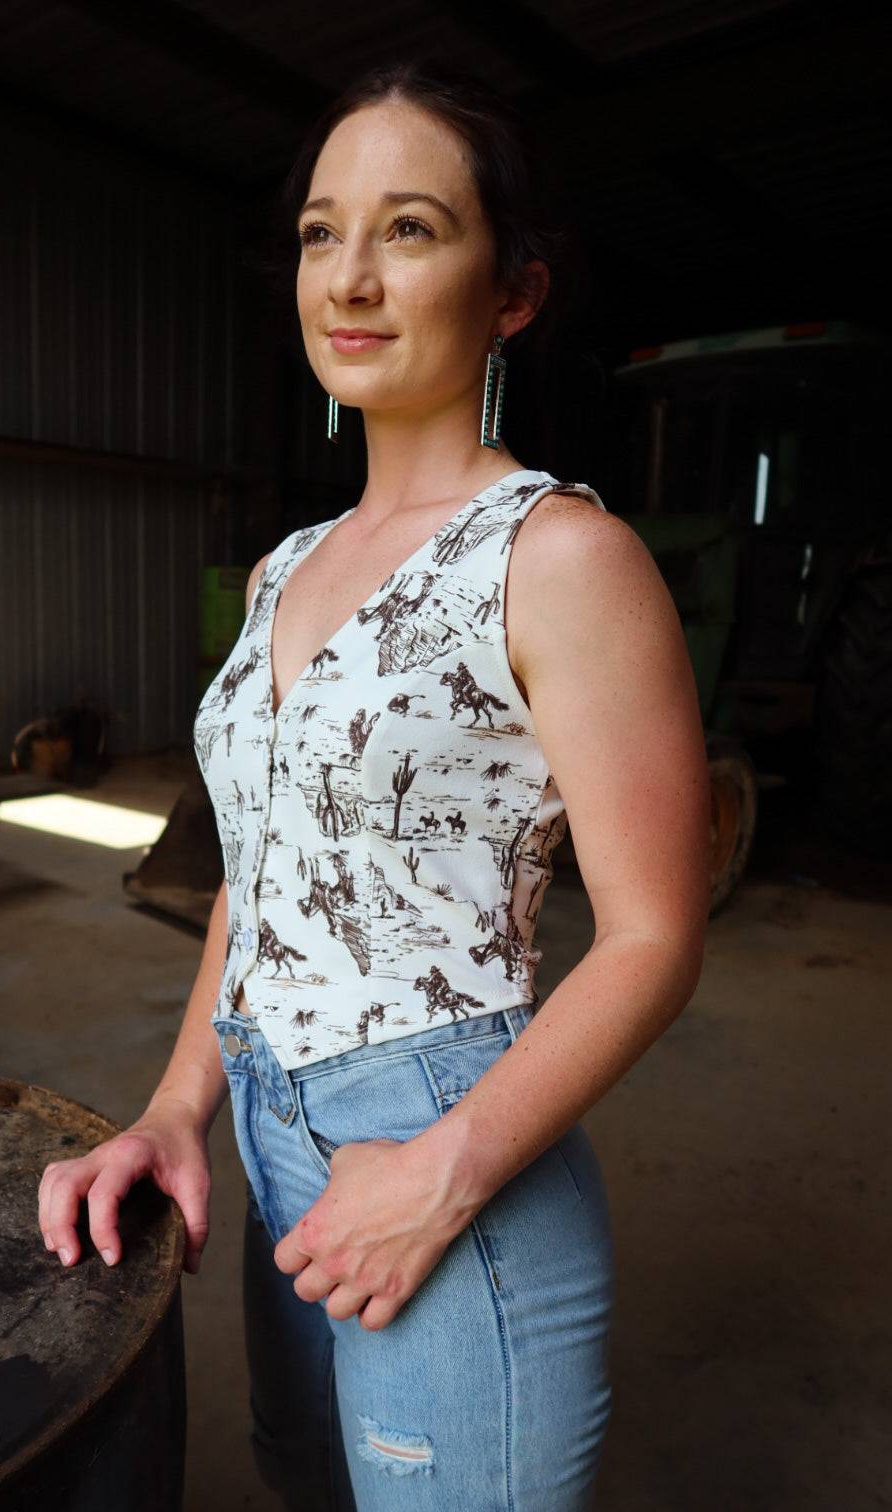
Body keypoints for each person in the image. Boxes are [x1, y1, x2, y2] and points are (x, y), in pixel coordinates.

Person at [38, 55, 709, 1512]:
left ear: (513, 291)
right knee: (310, 1483)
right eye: (319, 232)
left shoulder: (557, 556)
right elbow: (261, 871)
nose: (349, 276)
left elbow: (657, 935)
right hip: (273, 1130)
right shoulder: (282, 569)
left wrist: (441, 1173)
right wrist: (176, 1107)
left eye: (410, 228)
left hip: (447, 1134)